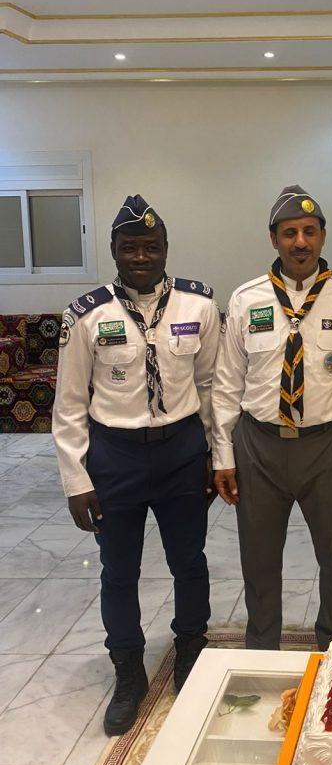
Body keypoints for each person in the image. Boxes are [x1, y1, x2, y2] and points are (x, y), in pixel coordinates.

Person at [52, 195, 219, 735]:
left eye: (151, 246)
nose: (141, 257)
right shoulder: (87, 315)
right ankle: (128, 670)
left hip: (181, 452)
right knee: (118, 570)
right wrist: (76, 480)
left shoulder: (198, 305)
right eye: (130, 248)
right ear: (114, 250)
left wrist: (215, 455)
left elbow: (211, 387)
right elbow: (69, 405)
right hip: (115, 457)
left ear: (166, 248)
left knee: (188, 560)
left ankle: (190, 649)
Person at [212, 185, 332, 651]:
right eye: (290, 233)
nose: (301, 242)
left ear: (323, 236)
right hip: (259, 447)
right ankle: (262, 650)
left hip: (329, 446)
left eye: (309, 231)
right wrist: (223, 455)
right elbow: (227, 383)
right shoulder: (247, 299)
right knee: (259, 559)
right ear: (273, 239)